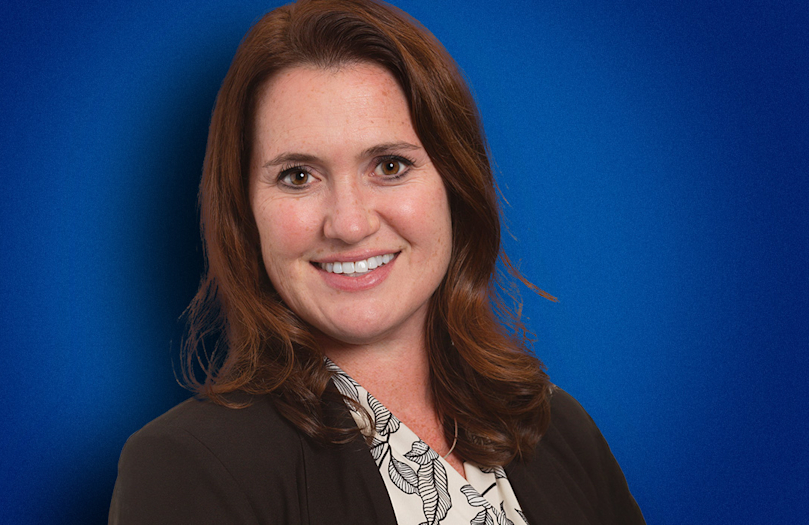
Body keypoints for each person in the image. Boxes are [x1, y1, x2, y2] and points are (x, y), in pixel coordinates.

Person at [109, 0, 645, 523]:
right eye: (298, 176)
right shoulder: (186, 467)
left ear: (455, 187)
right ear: (245, 210)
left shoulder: (558, 430)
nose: (348, 224)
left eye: (389, 165)